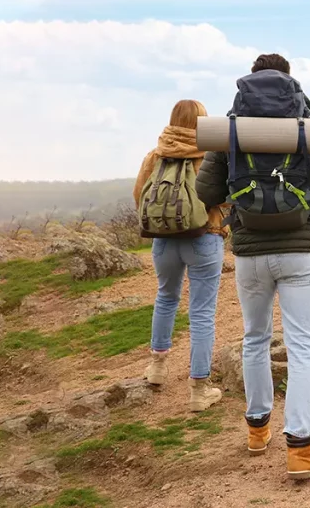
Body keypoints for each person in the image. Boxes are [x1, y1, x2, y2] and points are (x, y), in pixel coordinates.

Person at [196, 53, 310, 480]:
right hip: (301, 248)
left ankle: (257, 431)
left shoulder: (231, 128)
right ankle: (300, 451)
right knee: (302, 346)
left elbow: (206, 189)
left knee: (255, 339)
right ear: (291, 84)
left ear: (248, 84)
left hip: (250, 252)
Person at [135, 99, 227, 413]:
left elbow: (140, 196)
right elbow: (226, 196)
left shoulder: (156, 155)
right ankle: (199, 391)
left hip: (163, 240)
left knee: (166, 298)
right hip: (205, 237)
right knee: (201, 312)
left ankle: (158, 368)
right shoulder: (211, 155)